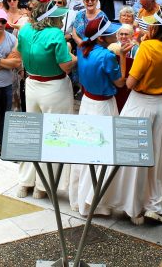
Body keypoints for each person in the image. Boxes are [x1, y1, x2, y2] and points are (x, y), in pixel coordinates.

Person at [109, 8, 162, 225]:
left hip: (140, 104)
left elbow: (129, 83)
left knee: (131, 157)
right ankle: (153, 204)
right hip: (161, 106)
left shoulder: (148, 47)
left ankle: (132, 207)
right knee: (156, 159)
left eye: (153, 24)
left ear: (158, 28)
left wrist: (127, 56)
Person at [16, 0, 77, 199]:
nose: (61, 19)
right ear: (50, 18)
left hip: (32, 85)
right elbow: (66, 66)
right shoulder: (56, 34)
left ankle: (25, 183)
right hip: (54, 87)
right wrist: (73, 56)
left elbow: (19, 53)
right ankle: (44, 186)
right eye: (58, 16)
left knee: (32, 134)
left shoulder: (24, 30)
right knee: (54, 136)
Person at [67, 17, 126, 214]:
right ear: (101, 38)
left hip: (87, 103)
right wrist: (123, 57)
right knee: (102, 153)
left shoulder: (83, 48)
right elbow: (120, 83)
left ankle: (81, 198)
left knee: (84, 152)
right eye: (109, 33)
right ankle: (96, 202)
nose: (113, 35)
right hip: (103, 107)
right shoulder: (107, 56)